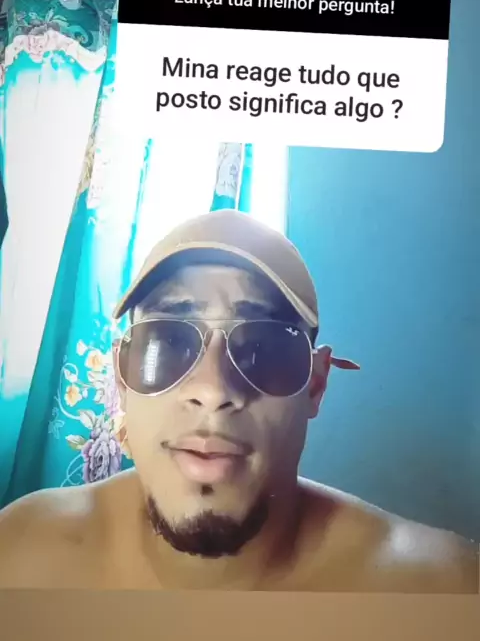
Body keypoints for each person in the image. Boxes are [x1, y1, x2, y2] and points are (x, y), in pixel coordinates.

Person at [0, 210, 477, 591]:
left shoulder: (439, 593)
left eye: (264, 348)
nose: (212, 391)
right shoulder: (19, 556)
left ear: (315, 386)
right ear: (123, 378)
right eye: (167, 342)